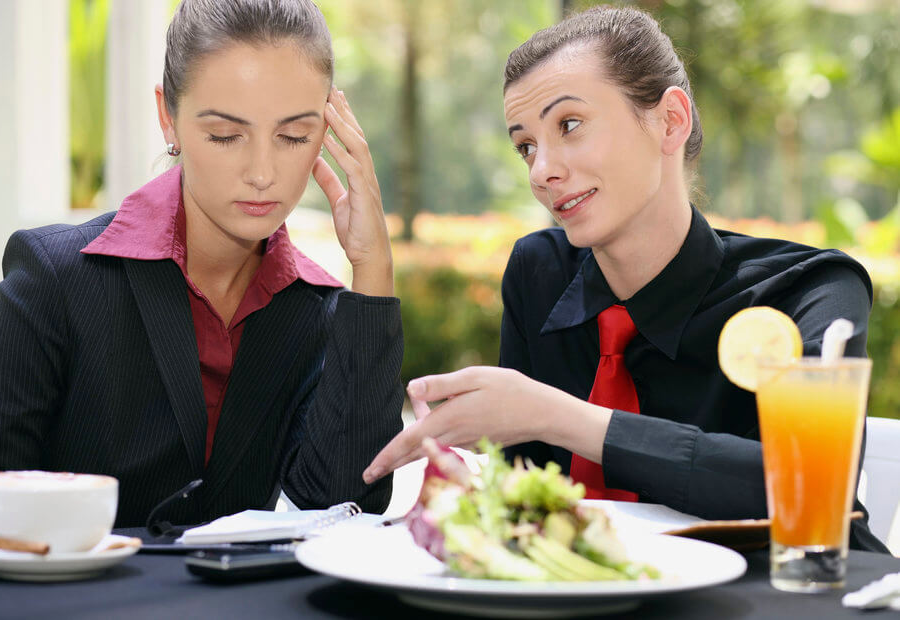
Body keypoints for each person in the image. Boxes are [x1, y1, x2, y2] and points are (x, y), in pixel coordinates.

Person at [364, 5, 887, 552]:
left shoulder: (811, 290)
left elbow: (810, 484)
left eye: (569, 125)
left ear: (670, 121)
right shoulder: (538, 275)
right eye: (526, 146)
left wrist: (554, 416)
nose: (541, 171)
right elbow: (530, 504)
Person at [0, 0, 403, 530]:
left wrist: (373, 267)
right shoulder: (54, 280)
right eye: (225, 135)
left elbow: (343, 505)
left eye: (293, 136)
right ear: (168, 118)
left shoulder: (319, 310)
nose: (262, 173)